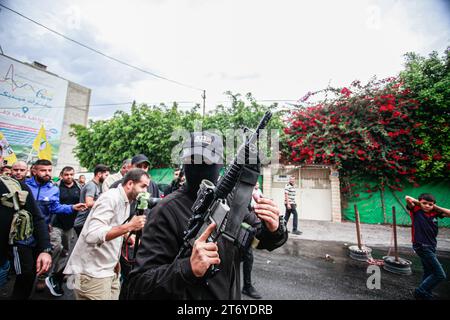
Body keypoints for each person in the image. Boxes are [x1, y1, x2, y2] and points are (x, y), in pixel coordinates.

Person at [121, 131, 288, 300]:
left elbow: (259, 239)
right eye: (192, 160)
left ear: (219, 164)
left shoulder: (232, 202)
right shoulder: (166, 210)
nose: (199, 166)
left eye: (207, 160)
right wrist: (187, 268)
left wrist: (274, 228)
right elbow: (139, 286)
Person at [63, 169, 149, 300]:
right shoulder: (110, 198)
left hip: (108, 269)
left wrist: (127, 235)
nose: (145, 192)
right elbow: (92, 234)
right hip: (93, 273)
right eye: (143, 186)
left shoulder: (125, 200)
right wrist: (129, 226)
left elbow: (111, 226)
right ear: (130, 183)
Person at [25, 159, 86, 291]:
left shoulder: (53, 189)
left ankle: (47, 276)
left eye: (49, 170)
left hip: (44, 231)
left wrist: (72, 207)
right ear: (34, 171)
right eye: (43, 170)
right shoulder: (24, 185)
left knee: (59, 251)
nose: (47, 173)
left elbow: (55, 207)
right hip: (24, 233)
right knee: (25, 269)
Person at [0, 152, 52, 299]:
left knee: (26, 275)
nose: (19, 172)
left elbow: (38, 218)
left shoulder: (16, 187)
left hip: (19, 244)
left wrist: (45, 249)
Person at [45, 166, 82, 297]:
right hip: (56, 224)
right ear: (61, 175)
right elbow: (50, 207)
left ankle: (56, 275)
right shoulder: (55, 188)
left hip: (70, 226)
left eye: (71, 174)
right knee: (55, 247)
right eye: (66, 174)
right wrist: (48, 222)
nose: (69, 177)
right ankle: (44, 274)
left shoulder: (79, 189)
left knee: (65, 252)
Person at [405, 193, 450, 300]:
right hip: (421, 245)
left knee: (429, 271)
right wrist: (420, 204)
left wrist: (434, 207)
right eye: (424, 203)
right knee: (440, 274)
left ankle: (425, 291)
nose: (427, 206)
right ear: (420, 203)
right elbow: (408, 198)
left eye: (430, 204)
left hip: (431, 245)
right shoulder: (416, 210)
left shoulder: (435, 213)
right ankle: (421, 291)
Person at [73, 164, 110, 236]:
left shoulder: (97, 185)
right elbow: (89, 203)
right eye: (106, 175)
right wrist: (104, 202)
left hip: (86, 223)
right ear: (99, 174)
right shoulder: (91, 185)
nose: (107, 178)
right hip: (83, 223)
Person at [241, 181, 264, 299]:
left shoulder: (252, 192)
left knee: (248, 257)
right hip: (235, 228)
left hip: (246, 228)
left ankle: (247, 286)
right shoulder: (239, 189)